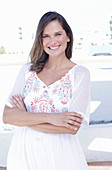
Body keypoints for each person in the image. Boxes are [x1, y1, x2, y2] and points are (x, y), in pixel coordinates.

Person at [3, 11, 90, 170]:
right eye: (46, 36)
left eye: (58, 34)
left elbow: (71, 128)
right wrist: (52, 118)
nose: (53, 41)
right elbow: (8, 116)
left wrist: (25, 117)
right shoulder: (27, 71)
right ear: (40, 40)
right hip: (24, 153)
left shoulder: (80, 74)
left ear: (68, 36)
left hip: (63, 155)